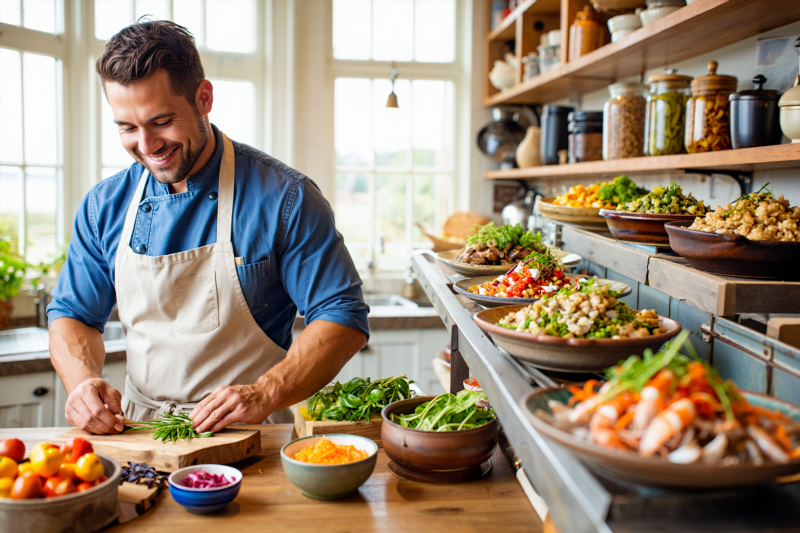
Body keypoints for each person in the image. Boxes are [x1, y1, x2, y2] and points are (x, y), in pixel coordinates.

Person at [47, 20, 369, 435]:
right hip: (138, 432)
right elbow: (72, 314)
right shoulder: (103, 206)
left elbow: (342, 318)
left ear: (204, 98)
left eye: (161, 121)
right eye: (127, 127)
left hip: (251, 434)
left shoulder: (286, 198)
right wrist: (81, 383)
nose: (146, 146)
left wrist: (265, 391)